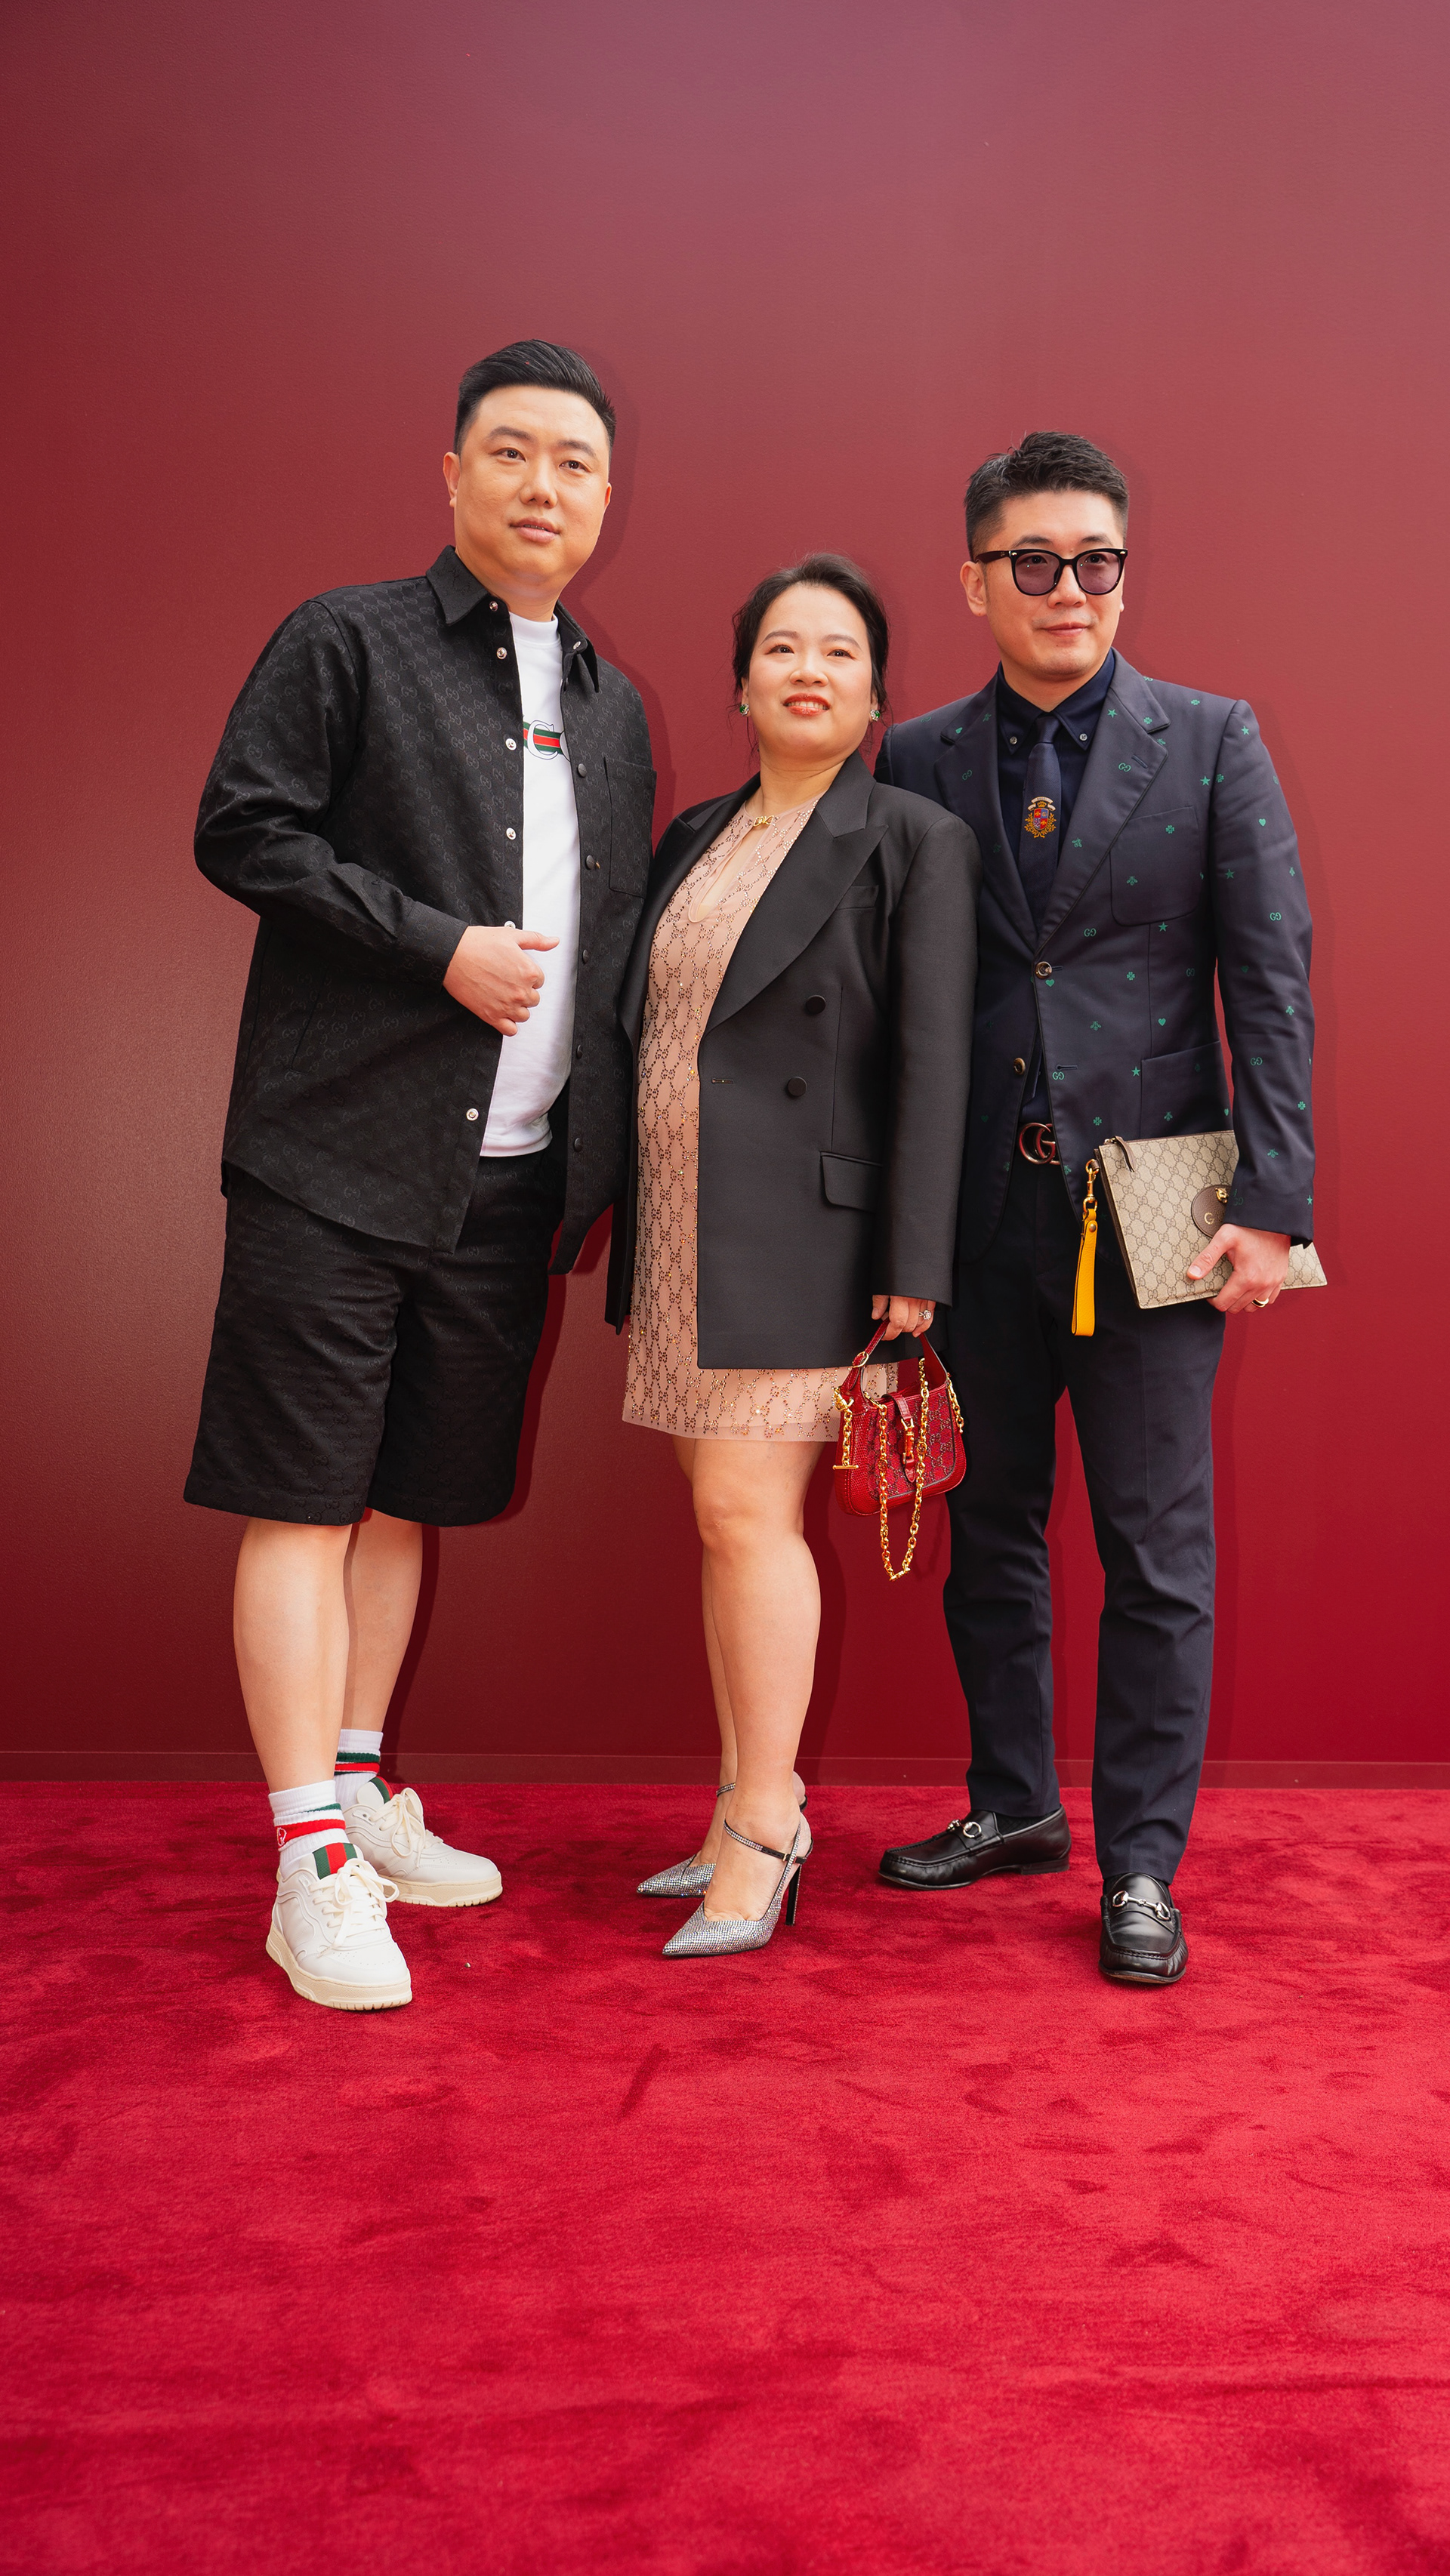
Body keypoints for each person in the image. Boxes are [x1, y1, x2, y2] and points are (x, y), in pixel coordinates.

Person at [186, 340, 656, 2011]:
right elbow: (243, 827)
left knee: (403, 1503)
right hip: (334, 1154)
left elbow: (617, 958)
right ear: (452, 473)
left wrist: (602, 1172)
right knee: (304, 1501)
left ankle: (362, 1785)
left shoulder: (614, 706)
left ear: (607, 498)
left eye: (575, 462)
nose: (544, 486)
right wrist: (435, 945)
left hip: (507, 1186)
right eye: (512, 452)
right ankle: (308, 1861)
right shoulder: (350, 639)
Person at [873, 431, 1316, 1984]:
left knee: (1157, 1553)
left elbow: (1270, 984)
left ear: (1126, 572)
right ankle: (1013, 1805)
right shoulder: (916, 756)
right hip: (975, 1214)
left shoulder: (1214, 740)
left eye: (1099, 561)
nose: (1071, 588)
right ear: (976, 581)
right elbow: (892, 998)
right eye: (1037, 562)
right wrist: (887, 1231)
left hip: (1160, 1212)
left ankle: (1139, 1866)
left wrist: (1274, 1204)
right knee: (987, 1528)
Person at [607, 555, 978, 1958]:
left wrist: (915, 1261)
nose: (807, 669)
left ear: (877, 693)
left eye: (838, 650)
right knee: (721, 1524)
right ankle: (734, 1808)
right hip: (683, 1226)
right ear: (741, 684)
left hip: (809, 1236)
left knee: (745, 1519)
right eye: (780, 647)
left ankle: (768, 1826)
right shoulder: (695, 834)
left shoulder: (911, 838)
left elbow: (934, 1064)